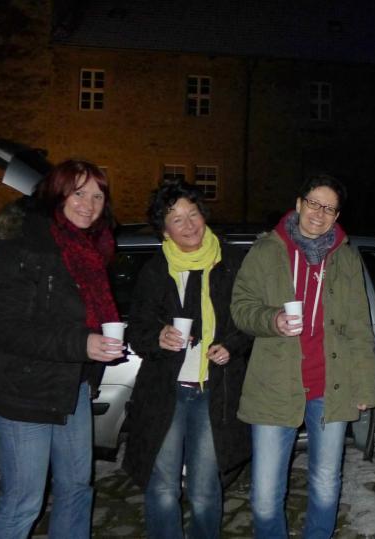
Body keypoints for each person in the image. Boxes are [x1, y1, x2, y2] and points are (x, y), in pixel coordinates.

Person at [0, 160, 125, 538]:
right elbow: (6, 329)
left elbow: (87, 318)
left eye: (97, 196)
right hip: (23, 391)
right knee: (23, 502)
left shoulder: (91, 250)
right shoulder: (23, 242)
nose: (89, 205)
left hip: (72, 388)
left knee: (76, 489)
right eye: (79, 193)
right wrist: (82, 343)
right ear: (57, 193)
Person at [231, 174, 375, 538]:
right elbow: (241, 307)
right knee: (265, 495)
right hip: (275, 385)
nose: (319, 213)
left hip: (331, 386)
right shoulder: (267, 250)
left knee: (326, 484)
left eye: (329, 208)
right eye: (313, 203)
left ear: (337, 215)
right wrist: (272, 319)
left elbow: (359, 326)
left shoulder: (346, 257)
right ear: (298, 204)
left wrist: (364, 386)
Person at [121, 179, 252, 539]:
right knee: (163, 488)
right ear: (165, 230)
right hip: (166, 390)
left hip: (214, 389)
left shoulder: (232, 262)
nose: (189, 225)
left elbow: (249, 320)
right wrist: (158, 336)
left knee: (205, 490)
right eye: (177, 219)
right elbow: (138, 329)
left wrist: (232, 345)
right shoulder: (155, 270)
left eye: (192, 214)